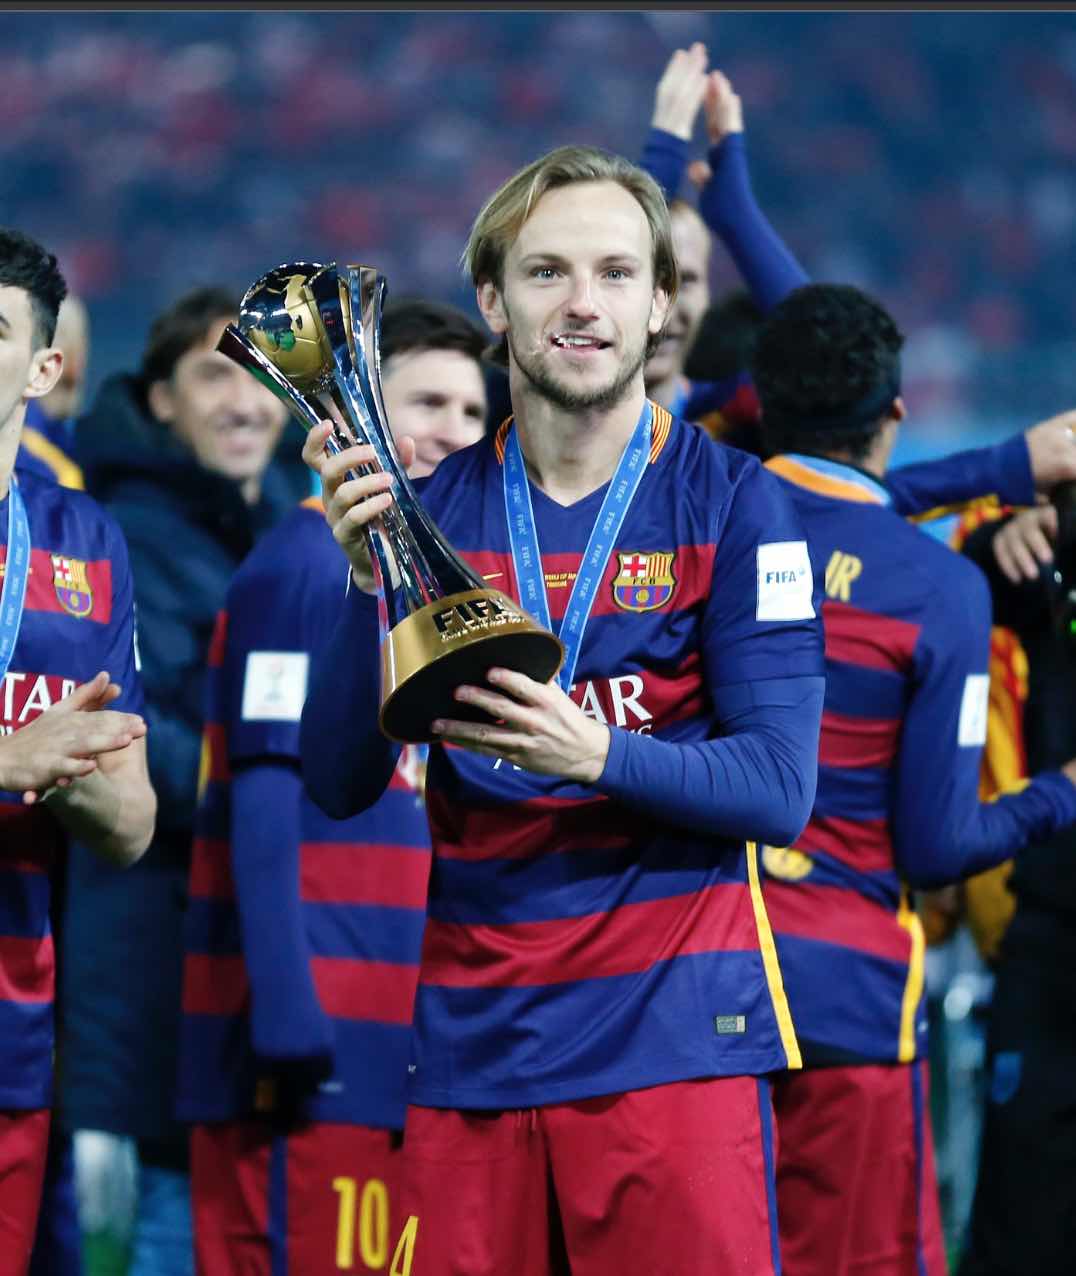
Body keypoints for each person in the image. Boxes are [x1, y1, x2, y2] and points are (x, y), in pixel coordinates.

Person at [299, 144, 825, 1276]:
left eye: (615, 273)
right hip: (470, 1051)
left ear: (660, 304)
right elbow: (336, 781)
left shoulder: (736, 503)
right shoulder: (428, 514)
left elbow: (779, 790)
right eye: (546, 272)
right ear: (494, 302)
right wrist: (357, 582)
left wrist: (595, 752)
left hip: (672, 1052)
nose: (582, 303)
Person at [750, 282, 1076, 1276]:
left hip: (696, 973)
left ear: (763, 406)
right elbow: (936, 847)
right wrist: (1060, 790)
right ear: (894, 413)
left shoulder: (702, 529)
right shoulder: (939, 586)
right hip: (849, 995)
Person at [176, 298, 487, 1274]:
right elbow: (263, 791)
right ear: (353, 421)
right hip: (306, 1049)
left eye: (473, 410)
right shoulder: (303, 565)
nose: (454, 430)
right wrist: (285, 1013)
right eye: (426, 403)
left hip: (391, 1033)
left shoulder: (414, 579)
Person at [59, 286, 294, 1276]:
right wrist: (280, 797)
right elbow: (129, 730)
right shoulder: (115, 531)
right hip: (148, 943)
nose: (244, 401)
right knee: (162, 1220)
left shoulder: (291, 517)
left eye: (262, 378)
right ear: (161, 399)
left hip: (248, 939)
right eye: (213, 375)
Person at [0, 227, 155, 1275]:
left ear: (44, 369)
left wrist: (62, 774)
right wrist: (9, 759)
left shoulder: (85, 542)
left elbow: (131, 823)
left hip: (12, 1031)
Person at [941, 500, 1076, 1275]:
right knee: (1019, 1228)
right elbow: (958, 585)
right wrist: (1004, 540)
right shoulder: (1053, 520)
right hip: (1052, 930)